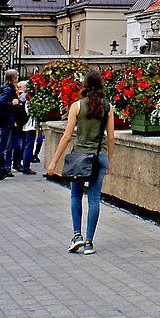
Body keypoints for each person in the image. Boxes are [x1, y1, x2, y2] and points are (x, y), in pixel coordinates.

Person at [46, 70, 114, 255]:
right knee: (94, 199)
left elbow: (67, 136)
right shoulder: (107, 107)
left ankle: (76, 235)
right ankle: (89, 242)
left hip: (80, 157)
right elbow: (111, 138)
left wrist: (53, 162)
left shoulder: (76, 106)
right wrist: (109, 161)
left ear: (84, 84)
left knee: (76, 195)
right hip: (99, 156)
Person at [0, 70, 22, 176]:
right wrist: (12, 103)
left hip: (8, 119)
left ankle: (4, 167)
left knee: (6, 145)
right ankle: (1, 168)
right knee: (4, 145)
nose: (18, 78)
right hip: (5, 120)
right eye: (16, 76)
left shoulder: (10, 88)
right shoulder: (7, 89)